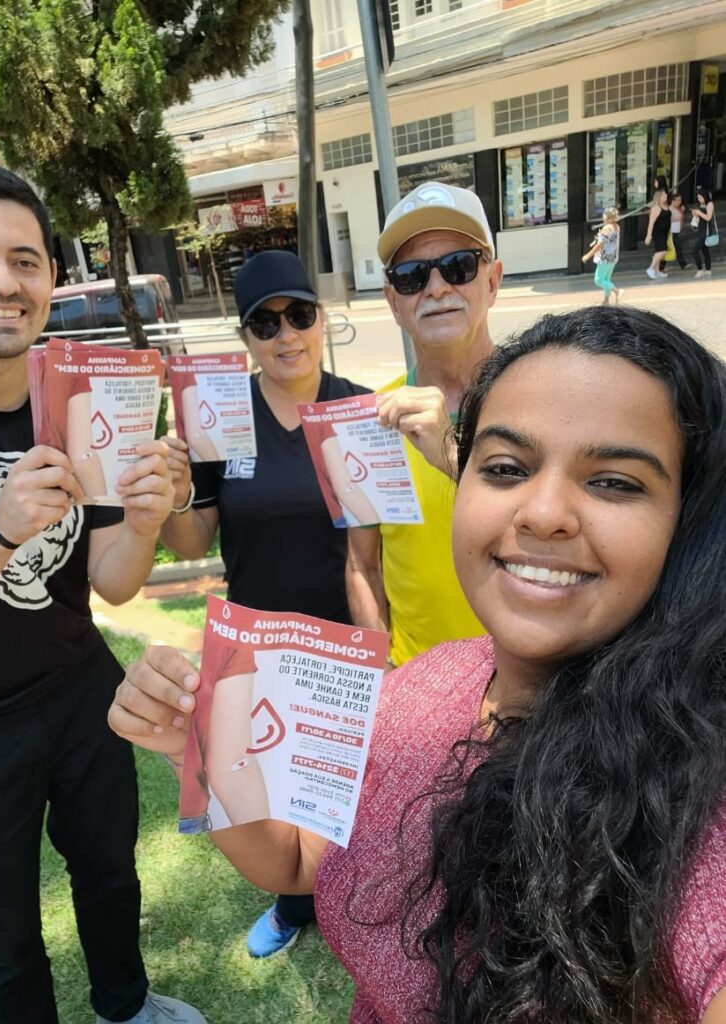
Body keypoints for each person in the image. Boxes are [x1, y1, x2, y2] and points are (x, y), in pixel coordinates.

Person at [110, 305, 726, 1024]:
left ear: (692, 522)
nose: (543, 512)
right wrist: (205, 752)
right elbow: (302, 861)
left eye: (615, 481)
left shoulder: (700, 803)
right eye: (506, 467)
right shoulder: (426, 685)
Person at [0, 165, 205, 1024]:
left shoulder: (74, 392)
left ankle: (126, 1007)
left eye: (25, 261)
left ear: (50, 276)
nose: (1, 282)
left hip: (77, 688)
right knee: (1, 933)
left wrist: (144, 514)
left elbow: (109, 579)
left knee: (109, 872)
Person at [159, 250, 370, 957]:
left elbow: (381, 550)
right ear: (245, 336)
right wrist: (171, 491)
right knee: (272, 794)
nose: (287, 335)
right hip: (255, 645)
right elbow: (191, 540)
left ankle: (362, 906)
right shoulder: (221, 416)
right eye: (265, 322)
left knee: (351, 798)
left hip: (345, 645)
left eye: (299, 315)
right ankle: (292, 908)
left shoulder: (358, 408)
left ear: (321, 317)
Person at [347, 182, 500, 669]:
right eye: (412, 277)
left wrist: (452, 453)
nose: (437, 288)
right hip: (419, 690)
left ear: (493, 281)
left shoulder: (543, 400)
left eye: (459, 267)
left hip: (538, 694)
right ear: (394, 302)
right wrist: (383, 671)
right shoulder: (369, 420)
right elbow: (362, 564)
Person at [581, 206, 622, 304]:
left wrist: (588, 255)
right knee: (606, 279)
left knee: (598, 280)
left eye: (604, 214)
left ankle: (617, 291)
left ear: (607, 217)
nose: (602, 216)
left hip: (605, 258)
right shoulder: (616, 226)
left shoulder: (607, 228)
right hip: (613, 258)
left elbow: (599, 245)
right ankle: (606, 300)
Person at [644, 175, 671, 280]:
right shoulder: (656, 208)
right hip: (658, 232)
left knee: (659, 250)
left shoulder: (665, 206)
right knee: (662, 250)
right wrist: (648, 235)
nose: (666, 196)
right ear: (659, 196)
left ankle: (657, 270)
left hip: (665, 232)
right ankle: (651, 268)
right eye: (663, 195)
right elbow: (651, 223)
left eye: (666, 194)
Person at [692, 189, 717, 279]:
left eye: (700, 197)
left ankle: (700, 270)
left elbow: (708, 217)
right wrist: (695, 214)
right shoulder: (700, 205)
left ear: (705, 196)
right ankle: (708, 270)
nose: (699, 199)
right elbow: (699, 218)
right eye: (698, 198)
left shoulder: (709, 204)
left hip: (706, 231)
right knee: (705, 251)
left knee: (694, 251)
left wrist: (699, 212)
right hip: (701, 229)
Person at [669, 190, 688, 269]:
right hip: (671, 232)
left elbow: (681, 218)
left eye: (680, 200)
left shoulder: (678, 208)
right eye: (678, 200)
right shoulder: (669, 209)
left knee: (676, 248)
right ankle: (683, 264)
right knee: (677, 248)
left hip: (676, 231)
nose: (679, 202)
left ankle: (661, 266)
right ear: (673, 201)